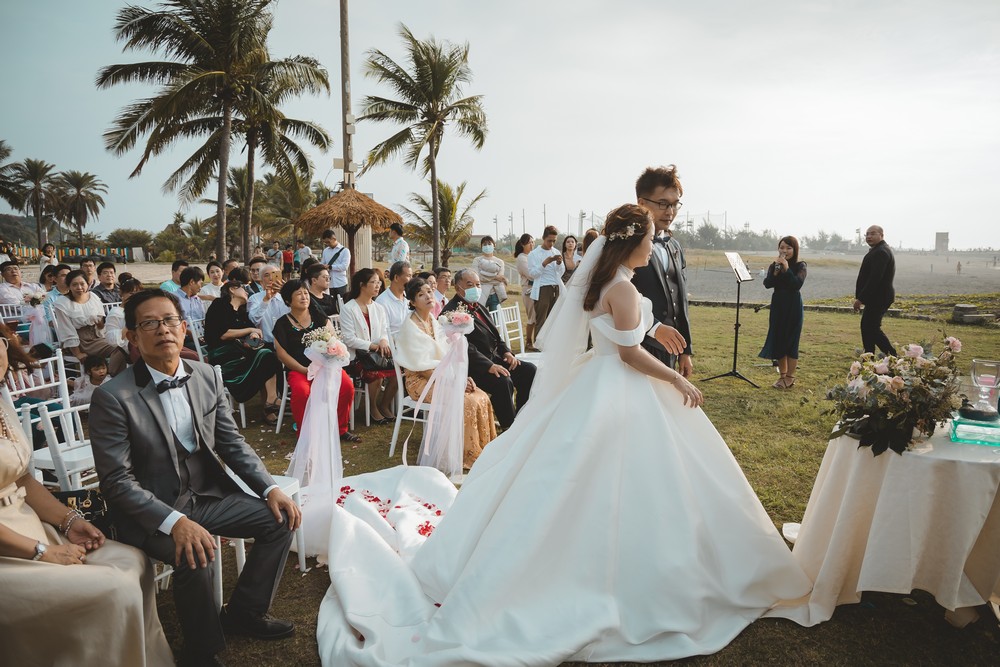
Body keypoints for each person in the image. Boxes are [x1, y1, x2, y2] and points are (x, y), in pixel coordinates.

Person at [316, 204, 813, 665]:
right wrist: (675, 376)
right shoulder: (619, 285)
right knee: (628, 477)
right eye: (651, 235)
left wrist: (654, 328)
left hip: (596, 383)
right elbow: (625, 352)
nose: (656, 241)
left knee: (586, 474)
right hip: (619, 385)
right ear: (632, 242)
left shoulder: (610, 280)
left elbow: (624, 331)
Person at [89, 289, 301, 665]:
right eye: (149, 323)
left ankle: (244, 613)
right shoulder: (112, 397)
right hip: (150, 513)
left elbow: (232, 443)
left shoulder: (205, 376)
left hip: (205, 495)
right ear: (133, 337)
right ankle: (201, 650)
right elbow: (117, 481)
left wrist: (270, 488)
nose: (162, 330)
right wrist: (174, 522)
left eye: (169, 320)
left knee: (279, 520)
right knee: (195, 552)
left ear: (184, 328)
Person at [0, 336, 173, 667]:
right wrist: (45, 552)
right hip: (10, 552)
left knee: (133, 561)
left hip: (30, 525)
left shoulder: (2, 403)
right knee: (113, 589)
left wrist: (70, 521)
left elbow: (23, 480)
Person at [395, 278, 496, 469]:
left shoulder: (434, 321)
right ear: (412, 302)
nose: (427, 296)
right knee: (466, 400)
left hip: (442, 376)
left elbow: (446, 357)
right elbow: (422, 367)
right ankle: (465, 455)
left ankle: (483, 449)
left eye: (429, 292)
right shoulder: (409, 327)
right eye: (421, 294)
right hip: (420, 381)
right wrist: (453, 381)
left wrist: (460, 377)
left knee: (480, 396)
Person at [443, 269, 536, 429]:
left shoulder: (479, 306)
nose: (476, 288)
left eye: (478, 284)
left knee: (529, 371)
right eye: (470, 284)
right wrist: (489, 366)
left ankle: (521, 418)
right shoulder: (452, 312)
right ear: (458, 288)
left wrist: (507, 352)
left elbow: (496, 336)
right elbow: (464, 347)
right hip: (475, 366)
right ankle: (509, 426)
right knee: (503, 382)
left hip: (496, 358)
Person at [271, 280, 360, 443]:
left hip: (326, 367)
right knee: (302, 392)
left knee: (347, 387)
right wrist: (304, 370)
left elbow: (333, 341)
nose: (304, 296)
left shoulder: (319, 317)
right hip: (299, 370)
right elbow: (282, 355)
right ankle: (307, 433)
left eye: (305, 293)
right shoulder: (282, 324)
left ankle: (340, 429)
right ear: (288, 300)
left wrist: (326, 362)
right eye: (298, 294)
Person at [632, 165, 694, 377]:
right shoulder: (626, 247)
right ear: (641, 203)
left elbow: (681, 302)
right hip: (638, 346)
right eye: (663, 204)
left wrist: (685, 351)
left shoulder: (675, 246)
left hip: (671, 349)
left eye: (675, 205)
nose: (670, 212)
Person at [204, 281, 282, 425]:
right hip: (224, 355)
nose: (247, 292)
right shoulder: (219, 305)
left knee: (269, 352)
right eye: (244, 288)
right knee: (266, 355)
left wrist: (254, 337)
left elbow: (249, 336)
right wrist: (249, 331)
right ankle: (270, 404)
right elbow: (222, 334)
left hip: (241, 351)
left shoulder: (241, 311)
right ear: (232, 290)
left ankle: (269, 403)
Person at [340, 268, 397, 424]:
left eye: (378, 282)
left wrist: (384, 341)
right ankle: (372, 408)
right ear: (362, 285)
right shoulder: (348, 308)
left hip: (377, 353)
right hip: (357, 356)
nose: (378, 285)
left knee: (399, 373)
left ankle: (384, 405)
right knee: (375, 375)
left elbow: (385, 330)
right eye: (373, 282)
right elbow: (349, 339)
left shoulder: (378, 308)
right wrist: (373, 346)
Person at [52, 269, 127, 375]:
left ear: (88, 284)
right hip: (81, 342)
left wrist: (100, 325)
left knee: (127, 345)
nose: (79, 288)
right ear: (69, 286)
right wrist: (78, 353)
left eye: (82, 284)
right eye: (74, 285)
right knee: (120, 349)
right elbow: (67, 330)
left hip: (99, 336)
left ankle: (116, 374)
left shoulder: (93, 297)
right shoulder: (62, 303)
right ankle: (111, 375)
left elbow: (101, 324)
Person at [759, 236, 807, 389]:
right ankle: (782, 376)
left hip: (793, 305)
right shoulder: (775, 265)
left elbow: (796, 285)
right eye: (782, 247)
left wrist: (786, 269)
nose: (784, 251)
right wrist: (776, 271)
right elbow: (767, 284)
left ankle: (790, 377)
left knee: (791, 341)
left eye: (788, 248)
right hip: (778, 304)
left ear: (795, 250)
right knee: (779, 338)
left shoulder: (801, 266)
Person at [853, 225, 897, 356]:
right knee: (867, 327)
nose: (869, 237)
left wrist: (860, 299)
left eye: (873, 234)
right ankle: (869, 356)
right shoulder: (877, 250)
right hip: (876, 297)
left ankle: (893, 356)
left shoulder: (881, 252)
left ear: (881, 235)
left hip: (879, 297)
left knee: (871, 328)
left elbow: (875, 279)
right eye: (867, 234)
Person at [527, 225, 564, 333]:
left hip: (555, 287)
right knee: (542, 320)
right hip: (542, 288)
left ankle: (550, 346)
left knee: (553, 320)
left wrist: (559, 263)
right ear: (543, 238)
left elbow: (560, 272)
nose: (551, 244)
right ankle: (539, 346)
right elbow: (533, 274)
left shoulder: (556, 252)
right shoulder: (534, 254)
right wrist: (544, 263)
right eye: (549, 241)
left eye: (554, 241)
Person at [247, 265, 289, 346]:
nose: (271, 278)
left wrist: (287, 291)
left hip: (288, 343)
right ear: (261, 281)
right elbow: (253, 320)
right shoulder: (254, 298)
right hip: (265, 344)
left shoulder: (287, 297)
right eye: (267, 275)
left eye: (274, 274)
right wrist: (266, 300)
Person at [105, 278, 143, 361]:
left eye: (138, 294)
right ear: (121, 293)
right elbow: (114, 341)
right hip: (129, 346)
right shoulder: (116, 313)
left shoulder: (142, 310)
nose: (134, 297)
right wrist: (130, 323)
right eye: (131, 293)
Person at [375, 260, 412, 337]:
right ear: (396, 278)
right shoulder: (382, 302)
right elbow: (384, 334)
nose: (411, 280)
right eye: (408, 276)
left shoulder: (410, 298)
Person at [470, 236, 508, 312]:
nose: (487, 246)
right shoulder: (477, 260)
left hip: (495, 295)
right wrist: (495, 276)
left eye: (489, 243)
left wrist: (484, 276)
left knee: (495, 320)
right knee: (480, 317)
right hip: (480, 294)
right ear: (481, 247)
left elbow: (499, 280)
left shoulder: (499, 262)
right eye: (484, 244)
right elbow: (477, 278)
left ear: (494, 245)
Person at [514, 234, 538, 350]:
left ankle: (537, 341)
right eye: (529, 242)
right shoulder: (522, 258)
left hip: (538, 288)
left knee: (539, 316)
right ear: (523, 244)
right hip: (529, 288)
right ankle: (529, 342)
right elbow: (531, 275)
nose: (532, 244)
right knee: (532, 316)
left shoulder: (534, 256)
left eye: (533, 242)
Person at [320, 230, 351, 301]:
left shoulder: (345, 251)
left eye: (328, 242)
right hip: (329, 283)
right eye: (325, 243)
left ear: (334, 239)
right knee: (331, 303)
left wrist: (330, 267)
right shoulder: (325, 251)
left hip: (340, 282)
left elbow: (344, 267)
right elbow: (322, 263)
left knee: (341, 303)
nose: (327, 244)